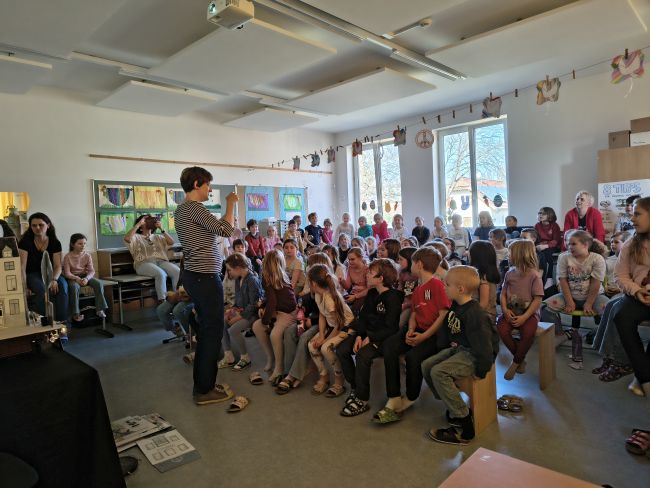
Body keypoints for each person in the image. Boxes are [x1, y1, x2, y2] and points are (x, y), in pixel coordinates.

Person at [173, 166, 237, 405]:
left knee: (207, 331)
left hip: (195, 275)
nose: (210, 190)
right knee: (212, 332)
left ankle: (204, 384)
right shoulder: (195, 208)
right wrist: (231, 204)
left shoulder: (182, 209)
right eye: (208, 185)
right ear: (197, 184)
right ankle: (204, 390)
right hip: (205, 277)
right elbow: (226, 230)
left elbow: (213, 230)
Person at [422, 266, 498, 445]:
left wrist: (481, 370)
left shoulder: (475, 314)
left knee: (438, 372)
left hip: (474, 354)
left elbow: (485, 347)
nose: (444, 287)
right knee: (427, 365)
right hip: (460, 348)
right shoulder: (456, 306)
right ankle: (453, 405)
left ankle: (465, 426)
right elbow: (449, 330)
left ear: (461, 289)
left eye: (447, 285)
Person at [374, 247, 451, 424]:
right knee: (390, 346)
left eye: (413, 263)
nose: (410, 266)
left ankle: (410, 396)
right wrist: (410, 328)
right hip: (417, 329)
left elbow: (443, 315)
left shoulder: (437, 285)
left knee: (413, 357)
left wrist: (423, 337)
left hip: (433, 334)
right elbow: (415, 313)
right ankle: (394, 396)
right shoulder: (418, 287)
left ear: (419, 264)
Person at [337, 259, 403, 416]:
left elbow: (391, 328)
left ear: (381, 278)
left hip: (383, 338)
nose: (367, 274)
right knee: (342, 349)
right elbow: (364, 318)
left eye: (371, 273)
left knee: (362, 355)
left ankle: (362, 399)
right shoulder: (372, 293)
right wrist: (360, 335)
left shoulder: (394, 297)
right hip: (367, 333)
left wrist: (371, 338)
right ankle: (356, 387)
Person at [544, 230, 609, 370]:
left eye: (573, 244)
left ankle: (600, 339)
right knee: (544, 308)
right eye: (568, 244)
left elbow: (596, 283)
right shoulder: (564, 257)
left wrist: (589, 303)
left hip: (594, 296)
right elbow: (562, 280)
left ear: (585, 245)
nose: (569, 246)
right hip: (569, 295)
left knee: (611, 311)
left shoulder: (597, 259)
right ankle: (560, 334)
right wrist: (569, 301)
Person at [613, 196, 650, 404]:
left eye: (637, 214)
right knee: (622, 316)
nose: (632, 218)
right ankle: (645, 378)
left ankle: (641, 375)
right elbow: (620, 275)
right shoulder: (631, 244)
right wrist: (636, 291)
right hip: (638, 294)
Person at [497, 240, 544, 379]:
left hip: (529, 314)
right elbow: (503, 293)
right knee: (501, 329)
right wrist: (504, 310)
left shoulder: (534, 275)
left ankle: (516, 362)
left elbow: (538, 299)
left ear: (520, 254)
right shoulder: (509, 273)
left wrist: (525, 317)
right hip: (511, 311)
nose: (508, 255)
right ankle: (520, 358)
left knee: (528, 332)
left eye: (510, 252)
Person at [307, 264, 355, 397]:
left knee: (325, 348)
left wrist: (325, 341)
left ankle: (339, 380)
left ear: (314, 283)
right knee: (311, 345)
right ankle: (324, 376)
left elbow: (340, 324)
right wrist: (321, 335)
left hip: (346, 327)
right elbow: (322, 315)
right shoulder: (318, 294)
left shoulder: (330, 300)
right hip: (333, 326)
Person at [252, 250, 297, 385]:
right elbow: (270, 299)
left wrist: (266, 320)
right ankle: (270, 357)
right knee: (256, 326)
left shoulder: (280, 276)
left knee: (274, 335)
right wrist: (263, 308)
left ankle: (279, 367)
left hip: (289, 313)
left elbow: (273, 301)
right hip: (279, 311)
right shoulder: (268, 278)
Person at [18, 212, 69, 322]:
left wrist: (54, 279)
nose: (37, 228)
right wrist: (24, 286)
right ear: (30, 227)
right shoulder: (25, 242)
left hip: (51, 273)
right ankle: (44, 323)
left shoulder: (55, 242)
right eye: (34, 225)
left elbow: (58, 266)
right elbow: (22, 267)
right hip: (32, 274)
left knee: (63, 286)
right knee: (42, 290)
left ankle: (62, 323)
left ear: (48, 225)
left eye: (41, 225)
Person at [222, 253, 263, 371]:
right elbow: (238, 301)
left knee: (233, 330)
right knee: (223, 321)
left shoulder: (252, 280)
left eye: (230, 270)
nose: (229, 273)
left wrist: (238, 317)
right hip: (242, 311)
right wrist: (232, 310)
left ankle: (245, 357)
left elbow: (254, 305)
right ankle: (228, 355)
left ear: (238, 268)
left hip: (252, 315)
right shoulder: (238, 279)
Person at [124, 214, 179, 302]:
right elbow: (127, 238)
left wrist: (161, 228)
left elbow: (171, 242)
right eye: (147, 220)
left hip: (161, 262)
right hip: (143, 264)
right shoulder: (136, 237)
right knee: (161, 274)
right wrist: (138, 224)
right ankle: (163, 301)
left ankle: (178, 298)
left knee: (177, 271)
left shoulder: (158, 237)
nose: (151, 221)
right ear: (141, 225)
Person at [63, 233, 107, 323]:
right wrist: (77, 278)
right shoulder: (67, 256)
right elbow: (67, 273)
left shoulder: (87, 255)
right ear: (72, 244)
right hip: (73, 277)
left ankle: (99, 309)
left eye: (84, 243)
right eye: (80, 244)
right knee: (74, 287)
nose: (83, 246)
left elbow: (92, 271)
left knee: (98, 283)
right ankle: (76, 313)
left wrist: (86, 279)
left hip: (85, 276)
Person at [468, 240, 500, 325]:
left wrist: (467, 314)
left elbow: (483, 304)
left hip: (484, 317)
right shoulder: (487, 273)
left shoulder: (483, 278)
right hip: (482, 314)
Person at [534, 207, 562, 288]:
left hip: (552, 246)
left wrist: (546, 245)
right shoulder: (537, 225)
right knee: (540, 255)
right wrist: (539, 245)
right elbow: (535, 238)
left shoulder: (554, 225)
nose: (540, 215)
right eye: (539, 213)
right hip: (541, 246)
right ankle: (541, 278)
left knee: (547, 252)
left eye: (543, 213)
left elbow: (556, 240)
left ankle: (549, 278)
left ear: (550, 215)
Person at [341, 248, 369, 313]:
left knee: (354, 310)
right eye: (349, 260)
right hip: (353, 293)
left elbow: (369, 289)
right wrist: (342, 281)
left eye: (352, 259)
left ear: (361, 258)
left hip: (364, 295)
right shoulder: (350, 268)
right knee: (339, 304)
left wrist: (355, 296)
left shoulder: (367, 269)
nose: (350, 262)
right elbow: (347, 287)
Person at [397, 247, 418, 328]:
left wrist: (405, 305)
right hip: (403, 302)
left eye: (401, 259)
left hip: (412, 305)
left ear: (409, 260)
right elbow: (400, 289)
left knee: (399, 323)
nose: (398, 261)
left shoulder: (417, 276)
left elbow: (417, 298)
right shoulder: (402, 273)